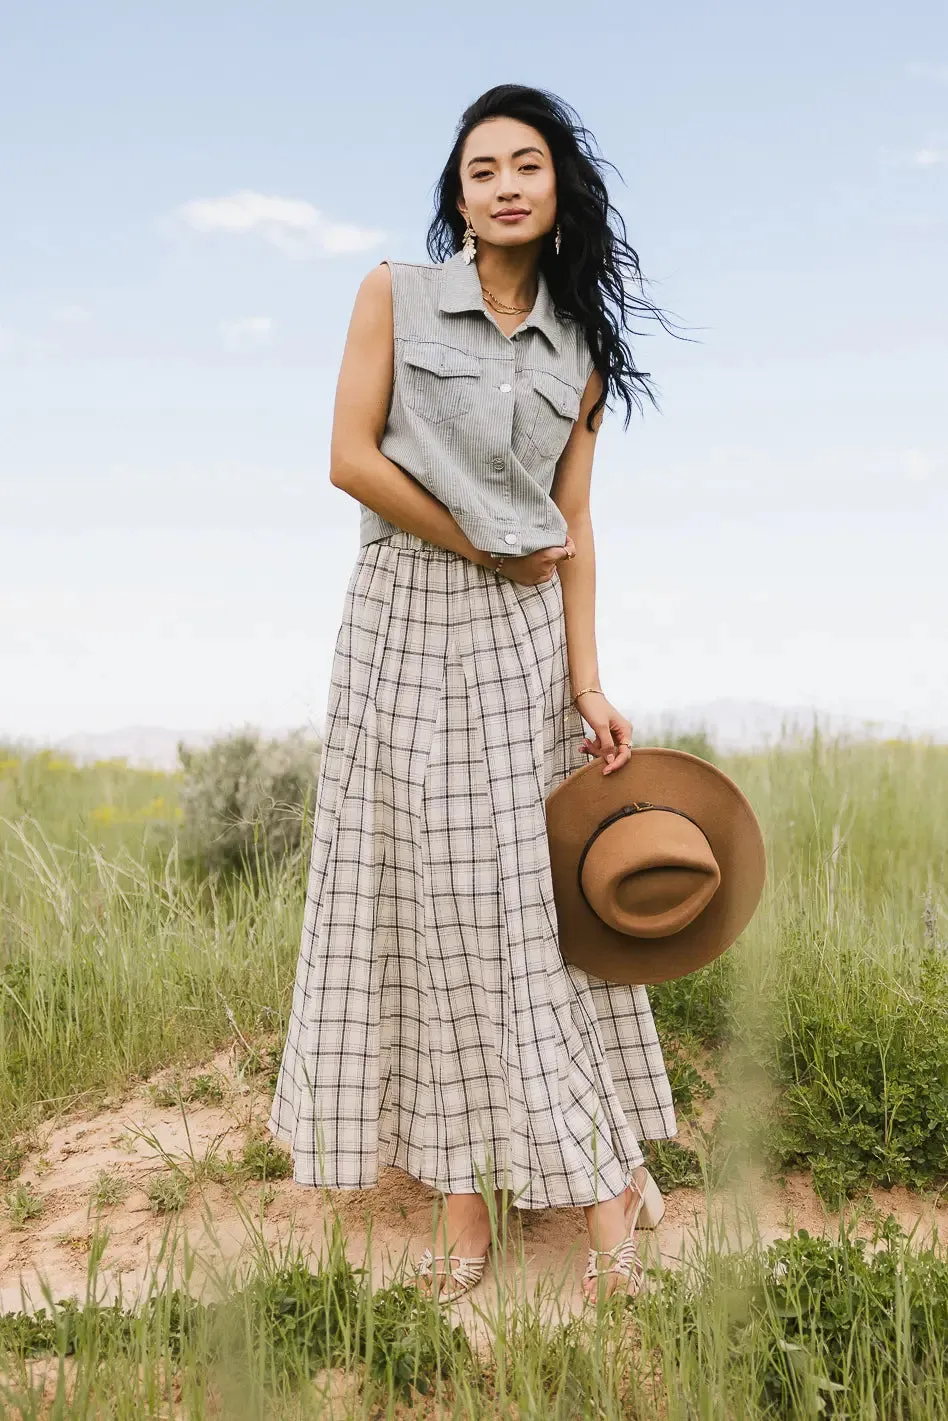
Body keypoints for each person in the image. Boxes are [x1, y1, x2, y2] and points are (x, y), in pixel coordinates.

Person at [267, 82, 679, 1304]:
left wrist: (590, 677)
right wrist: (474, 544)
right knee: (435, 912)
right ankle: (467, 1200)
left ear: (559, 194)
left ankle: (602, 1198)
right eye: (481, 167)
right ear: (459, 193)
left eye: (526, 166)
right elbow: (348, 458)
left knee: (527, 911)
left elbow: (578, 525)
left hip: (521, 639)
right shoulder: (393, 292)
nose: (503, 183)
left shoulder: (579, 352)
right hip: (401, 622)